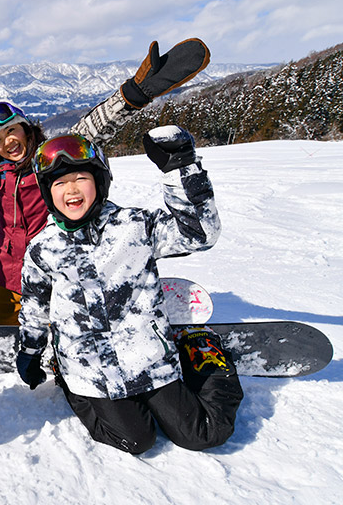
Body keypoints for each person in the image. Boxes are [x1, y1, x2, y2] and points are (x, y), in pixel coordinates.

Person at [0, 38, 210, 327]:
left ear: (26, 128)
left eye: (12, 131)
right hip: (6, 276)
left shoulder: (51, 161)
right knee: (1, 337)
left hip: (55, 272)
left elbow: (94, 126)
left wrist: (133, 94)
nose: (7, 143)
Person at [15, 129, 243, 454]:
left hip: (146, 358)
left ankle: (207, 357)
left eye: (80, 178)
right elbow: (35, 307)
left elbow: (200, 233)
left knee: (201, 434)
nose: (71, 190)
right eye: (59, 183)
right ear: (47, 192)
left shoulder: (134, 227)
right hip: (89, 369)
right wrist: (31, 350)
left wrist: (181, 167)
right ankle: (68, 382)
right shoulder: (44, 248)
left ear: (100, 181)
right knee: (136, 440)